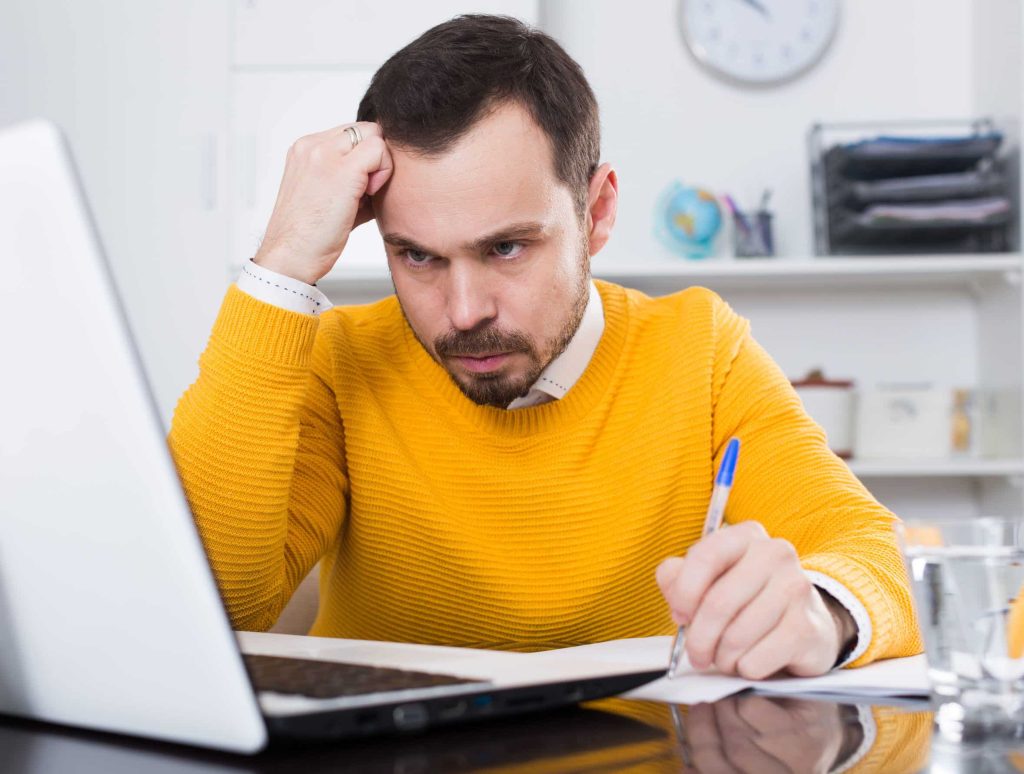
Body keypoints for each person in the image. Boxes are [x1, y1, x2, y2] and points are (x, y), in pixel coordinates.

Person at [168, 14, 921, 678]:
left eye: (505, 249)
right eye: (418, 256)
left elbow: (871, 552)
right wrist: (280, 267)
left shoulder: (700, 347)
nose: (463, 314)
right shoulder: (342, 359)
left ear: (597, 212)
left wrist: (820, 612)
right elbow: (212, 602)